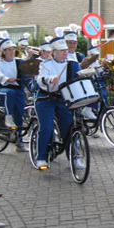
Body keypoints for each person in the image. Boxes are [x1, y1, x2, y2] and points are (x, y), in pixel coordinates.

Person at [34, 36, 82, 170]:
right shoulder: (46, 64)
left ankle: (73, 157)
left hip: (63, 99)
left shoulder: (73, 64)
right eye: (61, 51)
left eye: (66, 50)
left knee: (69, 129)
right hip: (46, 99)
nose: (65, 53)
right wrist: (50, 79)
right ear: (53, 51)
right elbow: (40, 79)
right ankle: (41, 157)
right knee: (46, 128)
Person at [0, 39, 29, 152]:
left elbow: (27, 69)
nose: (12, 51)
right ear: (3, 51)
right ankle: (8, 116)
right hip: (3, 88)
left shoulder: (19, 62)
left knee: (19, 113)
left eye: (13, 49)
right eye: (9, 49)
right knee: (10, 93)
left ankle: (19, 141)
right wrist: (7, 79)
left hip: (18, 89)